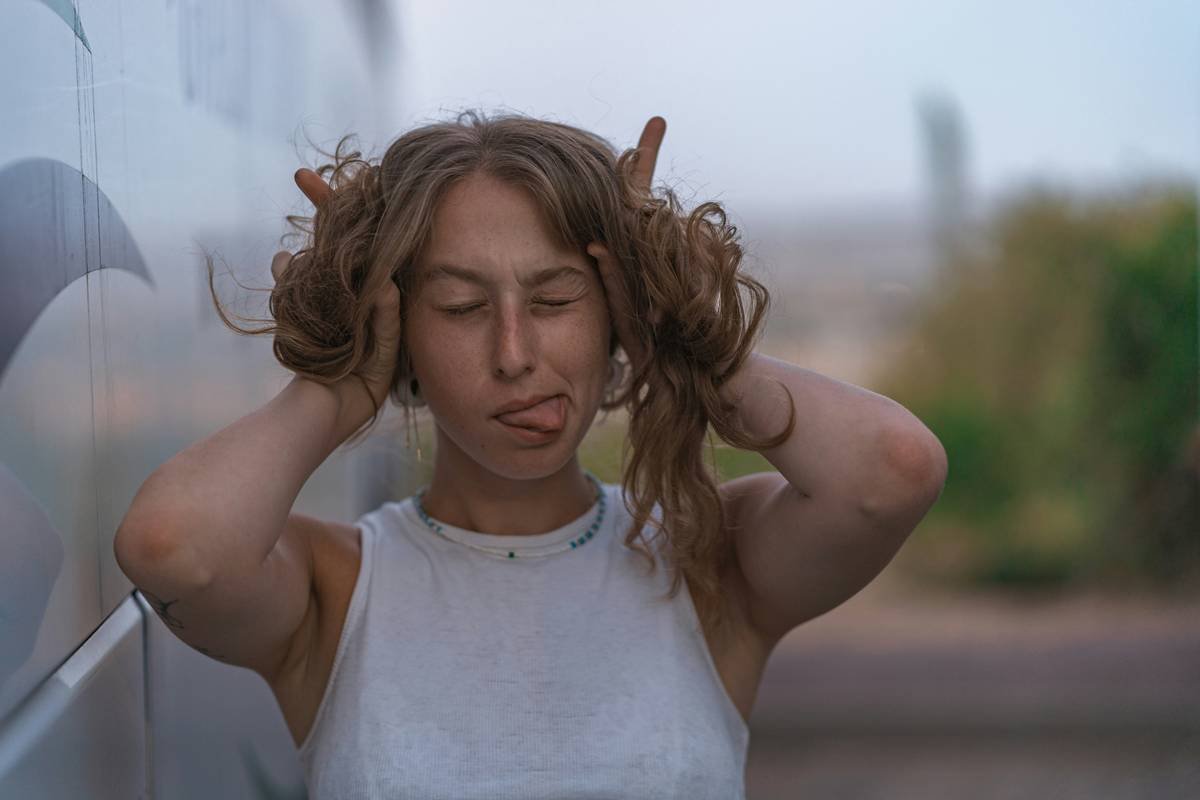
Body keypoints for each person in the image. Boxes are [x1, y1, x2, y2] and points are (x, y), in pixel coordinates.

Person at [114, 110, 947, 799]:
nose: (515, 353)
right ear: (400, 328)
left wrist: (700, 354)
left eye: (555, 299)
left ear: (618, 314)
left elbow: (892, 473)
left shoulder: (704, 561)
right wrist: (335, 390)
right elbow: (172, 549)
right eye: (460, 305)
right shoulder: (335, 590)